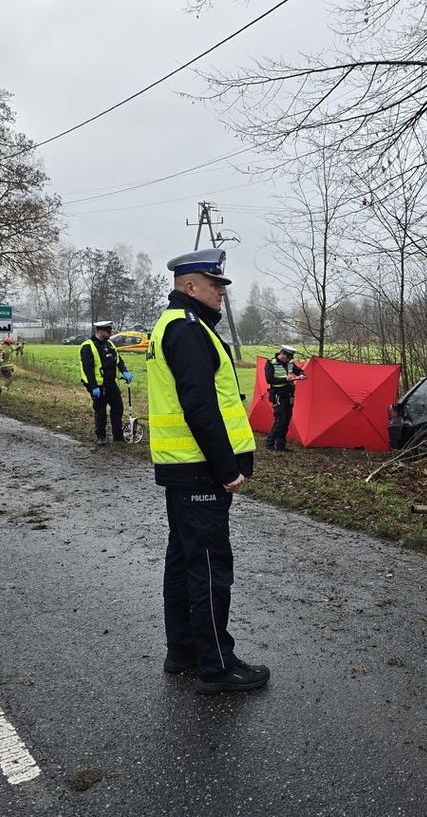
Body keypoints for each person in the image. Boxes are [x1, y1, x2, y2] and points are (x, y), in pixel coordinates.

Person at [148, 247, 268, 695]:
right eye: (215, 285)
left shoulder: (178, 326)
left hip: (183, 470)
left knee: (183, 560)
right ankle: (216, 665)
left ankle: (182, 650)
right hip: (200, 471)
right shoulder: (187, 328)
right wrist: (227, 469)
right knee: (209, 567)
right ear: (190, 285)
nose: (221, 293)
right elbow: (200, 407)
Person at [80, 319, 133, 445]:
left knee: (118, 408)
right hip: (97, 385)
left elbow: (118, 360)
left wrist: (124, 371)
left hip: (111, 383)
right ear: (100, 331)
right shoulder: (88, 346)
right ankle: (101, 436)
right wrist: (93, 387)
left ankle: (118, 436)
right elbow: (88, 369)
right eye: (107, 331)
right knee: (100, 411)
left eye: (110, 330)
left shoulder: (109, 344)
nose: (110, 333)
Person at [264, 344, 307, 451]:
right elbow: (269, 380)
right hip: (277, 394)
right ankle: (270, 443)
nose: (289, 360)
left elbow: (297, 370)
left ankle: (281, 445)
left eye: (290, 358)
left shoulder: (289, 362)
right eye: (288, 357)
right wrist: (285, 379)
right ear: (282, 354)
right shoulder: (271, 363)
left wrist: (301, 374)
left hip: (289, 394)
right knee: (281, 420)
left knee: (287, 420)